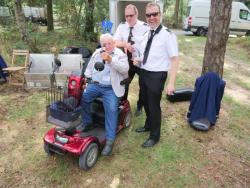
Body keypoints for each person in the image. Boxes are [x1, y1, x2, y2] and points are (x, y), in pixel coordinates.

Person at [134, 2, 179, 147]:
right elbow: (147, 53)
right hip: (144, 72)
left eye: (155, 14)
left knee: (154, 106)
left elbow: (175, 59)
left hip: (157, 75)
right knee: (145, 102)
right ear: (145, 16)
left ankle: (155, 136)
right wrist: (138, 60)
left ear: (160, 15)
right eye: (149, 15)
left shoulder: (168, 35)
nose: (152, 17)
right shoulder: (147, 32)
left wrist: (171, 83)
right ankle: (148, 125)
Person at [80, 33, 129, 156]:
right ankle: (88, 123)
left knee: (111, 109)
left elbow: (125, 70)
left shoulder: (120, 54)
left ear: (114, 43)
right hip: (96, 84)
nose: (107, 46)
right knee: (84, 98)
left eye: (109, 43)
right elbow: (89, 68)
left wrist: (111, 60)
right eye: (104, 44)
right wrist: (87, 80)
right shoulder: (97, 53)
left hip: (111, 88)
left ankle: (110, 140)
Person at [114, 4, 149, 116]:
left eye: (131, 15)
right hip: (128, 60)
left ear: (137, 14)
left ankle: (140, 106)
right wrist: (125, 44)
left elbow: (150, 45)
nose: (128, 18)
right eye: (126, 16)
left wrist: (141, 58)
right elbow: (114, 42)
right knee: (124, 82)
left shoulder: (145, 27)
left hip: (141, 62)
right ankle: (122, 103)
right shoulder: (122, 26)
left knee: (143, 85)